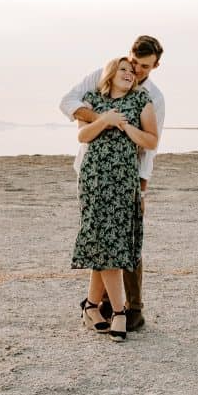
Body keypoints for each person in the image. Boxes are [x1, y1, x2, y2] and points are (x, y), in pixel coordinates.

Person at [60, 35, 165, 332]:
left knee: (124, 242)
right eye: (132, 63)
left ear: (155, 66)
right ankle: (99, 307)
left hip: (126, 178)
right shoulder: (101, 79)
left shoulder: (152, 97)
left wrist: (142, 188)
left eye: (143, 66)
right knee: (100, 240)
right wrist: (106, 120)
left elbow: (150, 148)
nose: (135, 70)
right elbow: (68, 103)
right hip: (93, 174)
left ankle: (131, 308)